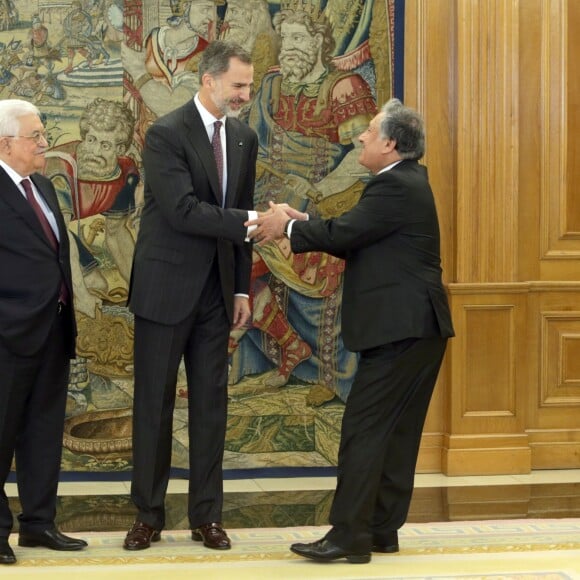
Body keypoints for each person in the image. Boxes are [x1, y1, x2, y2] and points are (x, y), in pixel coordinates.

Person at [247, 98, 455, 563]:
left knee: (363, 431)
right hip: (417, 328)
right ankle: (380, 530)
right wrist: (299, 221)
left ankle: (348, 537)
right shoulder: (402, 183)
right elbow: (354, 231)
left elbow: (342, 236)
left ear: (390, 143)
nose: (360, 136)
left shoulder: (393, 187)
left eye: (370, 131)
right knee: (396, 434)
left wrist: (286, 226)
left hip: (401, 331)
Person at [123, 40, 259, 552]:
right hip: (164, 292)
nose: (245, 94)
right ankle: (148, 516)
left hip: (218, 295)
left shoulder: (244, 137)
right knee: (153, 408)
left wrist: (243, 286)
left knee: (211, 407)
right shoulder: (166, 132)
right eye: (238, 85)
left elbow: (239, 217)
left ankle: (207, 516)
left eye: (248, 85)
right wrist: (250, 222)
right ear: (209, 80)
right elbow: (182, 211)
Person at [0, 99, 87, 565]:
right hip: (8, 334)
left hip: (52, 329)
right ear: (5, 143)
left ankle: (38, 524)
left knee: (42, 431)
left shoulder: (44, 187)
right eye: (35, 136)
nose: (44, 143)